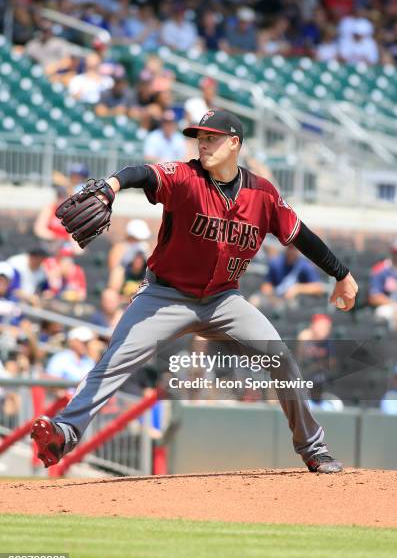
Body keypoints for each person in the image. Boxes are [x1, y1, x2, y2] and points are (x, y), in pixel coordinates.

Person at [31, 109, 358, 473]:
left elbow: (302, 236)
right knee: (115, 361)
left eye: (212, 138)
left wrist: (341, 275)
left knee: (280, 358)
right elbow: (142, 172)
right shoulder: (185, 177)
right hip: (164, 296)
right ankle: (65, 431)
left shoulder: (262, 194)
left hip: (223, 300)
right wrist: (110, 187)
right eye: (200, 138)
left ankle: (313, 449)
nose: (203, 145)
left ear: (234, 143)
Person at [250, 245, 325, 308]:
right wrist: (268, 290)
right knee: (254, 300)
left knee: (291, 305)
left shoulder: (305, 266)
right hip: (276, 297)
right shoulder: (276, 263)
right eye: (290, 248)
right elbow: (267, 284)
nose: (292, 251)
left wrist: (298, 288)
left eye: (294, 249)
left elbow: (318, 289)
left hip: (294, 301)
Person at [368, 241, 397, 331]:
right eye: (396, 253)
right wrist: (396, 306)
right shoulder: (381, 271)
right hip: (387, 306)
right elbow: (374, 297)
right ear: (391, 253)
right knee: (389, 314)